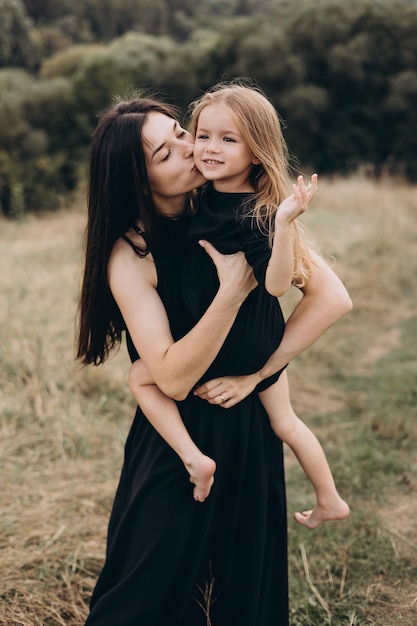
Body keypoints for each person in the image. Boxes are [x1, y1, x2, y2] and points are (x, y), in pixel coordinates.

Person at [76, 92, 352, 626]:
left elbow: (331, 298)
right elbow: (173, 380)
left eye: (182, 131)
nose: (191, 147)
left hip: (246, 430)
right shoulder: (130, 254)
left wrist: (258, 374)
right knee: (141, 599)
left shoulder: (235, 211)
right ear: (140, 180)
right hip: (177, 445)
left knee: (239, 599)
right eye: (167, 151)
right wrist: (231, 294)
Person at [128, 82, 349, 529]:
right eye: (202, 135)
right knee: (286, 424)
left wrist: (284, 226)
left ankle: (198, 459)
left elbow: (277, 285)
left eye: (228, 140)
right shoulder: (208, 195)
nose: (205, 149)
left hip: (242, 344)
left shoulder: (261, 212)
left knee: (141, 376)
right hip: (252, 343)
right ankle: (329, 500)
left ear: (256, 152)